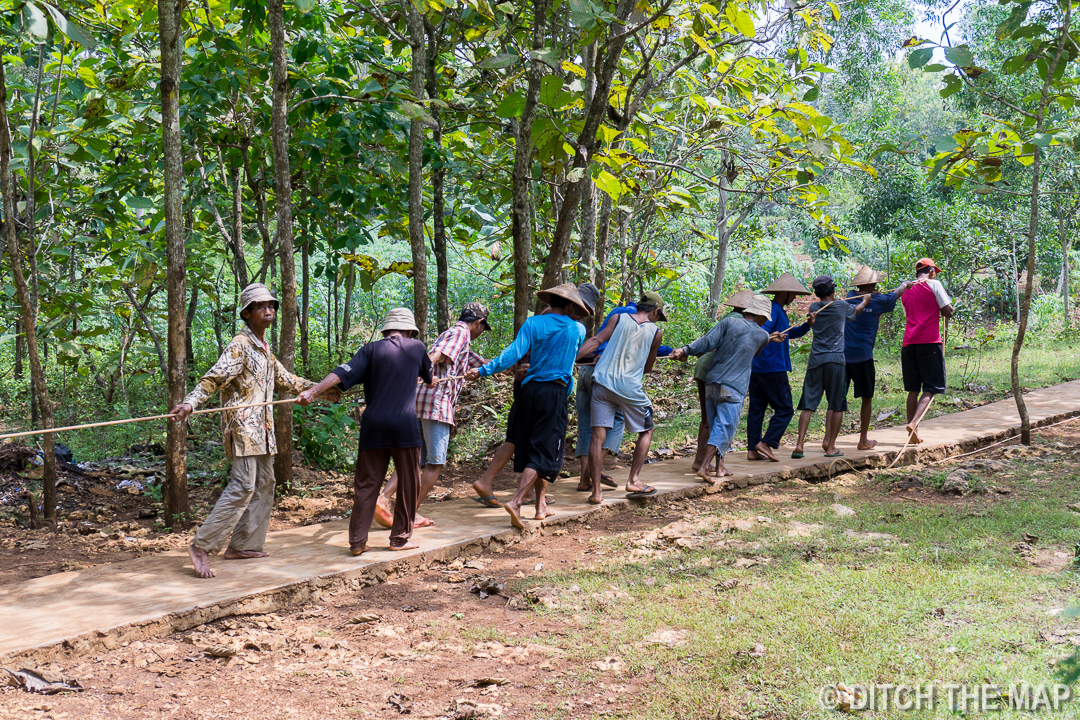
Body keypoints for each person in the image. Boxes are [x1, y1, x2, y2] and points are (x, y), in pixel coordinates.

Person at [170, 283, 332, 579]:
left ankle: (242, 544)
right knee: (244, 485)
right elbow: (213, 379)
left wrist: (320, 389)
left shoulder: (264, 349)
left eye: (271, 305)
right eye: (261, 307)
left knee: (265, 484)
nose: (268, 310)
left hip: (264, 430)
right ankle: (201, 546)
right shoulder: (240, 345)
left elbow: (286, 380)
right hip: (243, 428)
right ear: (247, 313)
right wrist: (190, 403)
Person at [296, 308, 433, 555]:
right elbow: (430, 378)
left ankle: (358, 542)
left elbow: (342, 372)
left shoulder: (370, 349)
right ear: (411, 330)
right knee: (409, 483)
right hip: (404, 426)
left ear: (386, 329)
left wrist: (313, 392)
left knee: (367, 484)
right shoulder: (418, 347)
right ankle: (399, 539)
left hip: (374, 425)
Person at [465, 283, 592, 529]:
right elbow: (568, 358)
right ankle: (516, 500)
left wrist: (482, 370)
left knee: (529, 442)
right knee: (545, 450)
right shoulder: (577, 329)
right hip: (553, 393)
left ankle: (540, 506)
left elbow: (512, 354)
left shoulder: (533, 324)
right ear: (568, 305)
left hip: (529, 391)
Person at [374, 303, 490, 525]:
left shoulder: (453, 335)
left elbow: (481, 363)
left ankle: (384, 500)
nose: (481, 333)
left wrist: (512, 365)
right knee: (435, 464)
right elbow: (436, 355)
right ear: (478, 323)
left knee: (414, 459)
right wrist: (420, 372)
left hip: (420, 402)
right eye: (483, 328)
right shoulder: (460, 333)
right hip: (436, 404)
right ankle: (406, 513)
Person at [671, 295, 777, 481]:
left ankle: (720, 467)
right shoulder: (761, 335)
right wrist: (769, 338)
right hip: (734, 387)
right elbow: (756, 350)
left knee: (716, 427)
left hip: (712, 382)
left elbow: (707, 341)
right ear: (761, 317)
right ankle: (704, 467)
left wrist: (685, 350)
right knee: (724, 428)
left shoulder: (728, 322)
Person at [576, 291, 667, 504]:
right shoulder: (655, 333)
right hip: (629, 387)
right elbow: (648, 368)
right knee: (647, 430)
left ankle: (596, 492)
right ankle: (633, 480)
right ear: (655, 311)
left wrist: (572, 357)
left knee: (597, 435)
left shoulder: (618, 318)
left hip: (602, 382)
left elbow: (597, 340)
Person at [791, 275, 870, 458]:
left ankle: (799, 444)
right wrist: (865, 301)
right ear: (832, 290)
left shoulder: (813, 309)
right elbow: (856, 311)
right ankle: (831, 447)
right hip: (836, 361)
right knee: (836, 405)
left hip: (816, 360)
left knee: (808, 406)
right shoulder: (841, 306)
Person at [844, 266, 912, 450]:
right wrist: (904, 284)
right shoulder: (879, 300)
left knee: (837, 399)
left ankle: (829, 440)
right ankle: (863, 439)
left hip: (842, 355)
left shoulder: (849, 296)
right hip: (863, 355)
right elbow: (895, 295)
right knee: (867, 398)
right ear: (873, 284)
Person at [746, 273, 812, 462]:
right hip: (772, 368)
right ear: (785, 293)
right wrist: (771, 334)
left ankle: (752, 449)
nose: (795, 298)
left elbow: (789, 334)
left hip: (758, 367)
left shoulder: (779, 311)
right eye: (793, 295)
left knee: (757, 409)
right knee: (785, 409)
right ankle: (766, 443)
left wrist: (807, 325)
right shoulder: (773, 310)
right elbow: (760, 331)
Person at [693, 288, 755, 472]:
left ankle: (701, 459)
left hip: (705, 366)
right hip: (714, 370)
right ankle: (702, 462)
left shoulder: (729, 318)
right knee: (715, 420)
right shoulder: (739, 321)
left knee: (708, 419)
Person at [574, 286, 627, 493]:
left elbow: (596, 341)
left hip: (585, 371)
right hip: (604, 374)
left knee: (586, 425)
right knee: (616, 420)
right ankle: (593, 470)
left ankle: (584, 479)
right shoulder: (637, 321)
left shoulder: (615, 315)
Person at [901, 258, 954, 443]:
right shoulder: (934, 284)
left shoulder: (905, 290)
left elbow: (910, 314)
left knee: (913, 390)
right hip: (930, 342)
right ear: (931, 271)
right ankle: (914, 423)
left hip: (908, 344)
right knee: (931, 388)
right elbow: (947, 311)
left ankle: (913, 434)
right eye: (935, 272)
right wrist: (950, 307)